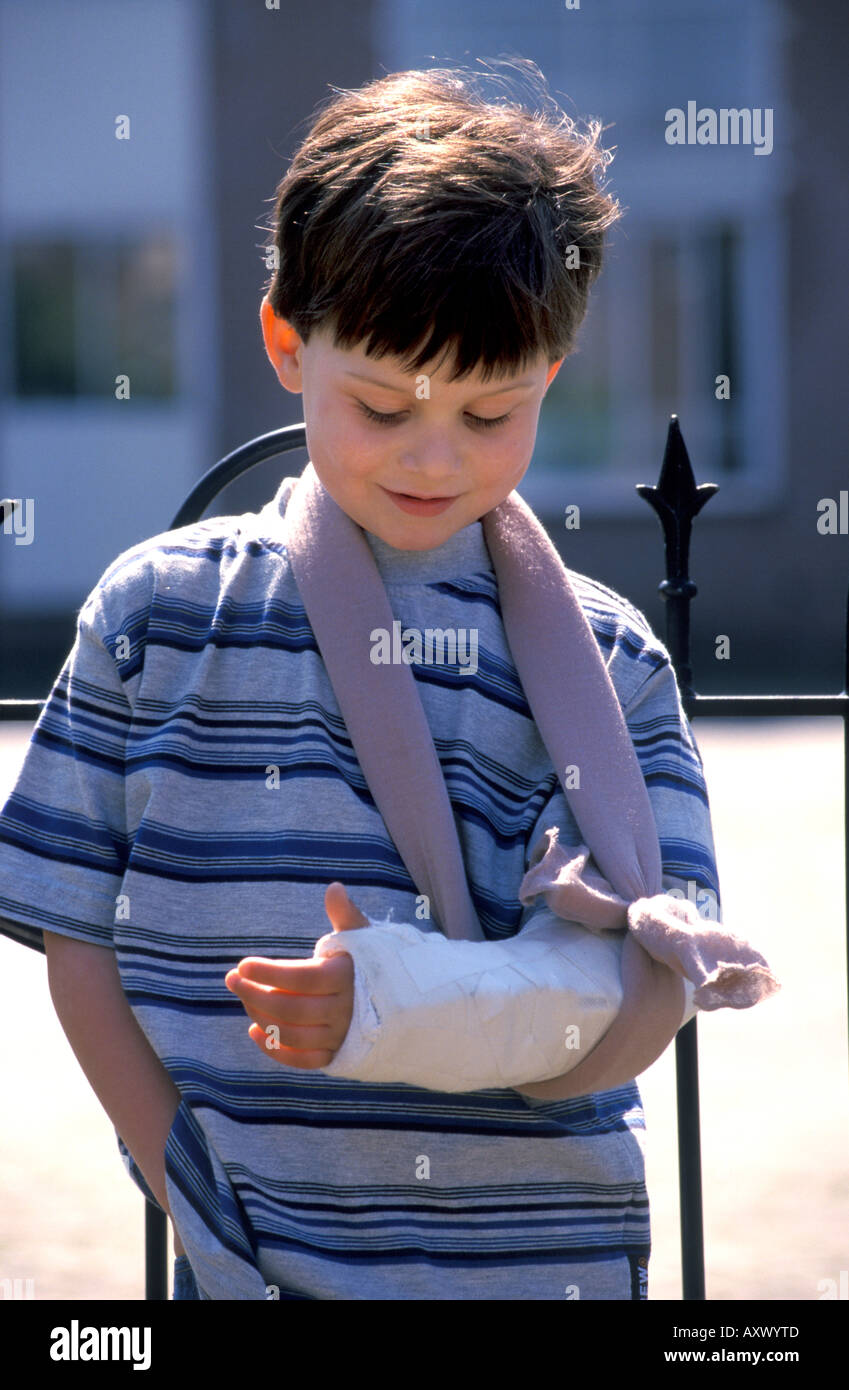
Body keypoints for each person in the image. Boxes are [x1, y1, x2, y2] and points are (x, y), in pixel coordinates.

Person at [0, 60, 767, 1301]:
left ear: (551, 380)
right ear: (285, 342)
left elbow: (641, 987)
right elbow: (74, 944)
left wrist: (405, 1001)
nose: (432, 456)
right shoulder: (157, 620)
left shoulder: (615, 661)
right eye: (380, 403)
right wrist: (195, 1194)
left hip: (548, 1264)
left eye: (489, 414)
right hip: (263, 1261)